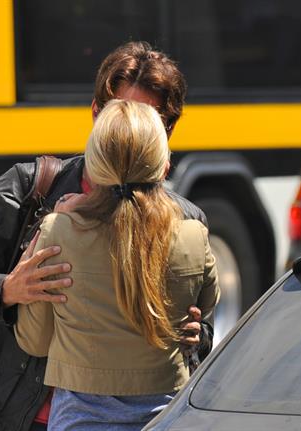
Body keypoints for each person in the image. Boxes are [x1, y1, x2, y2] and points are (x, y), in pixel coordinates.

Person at [0, 41, 213, 431]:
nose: (128, 132)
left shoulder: (186, 222)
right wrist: (8, 290)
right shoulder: (29, 188)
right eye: (118, 115)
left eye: (144, 118)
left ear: (166, 132)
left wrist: (192, 336)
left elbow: (203, 337)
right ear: (95, 114)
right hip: (22, 417)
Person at [14, 100, 220, 430]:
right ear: (164, 165)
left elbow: (34, 340)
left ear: (93, 168)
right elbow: (205, 307)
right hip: (166, 415)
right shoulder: (193, 236)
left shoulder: (59, 233)